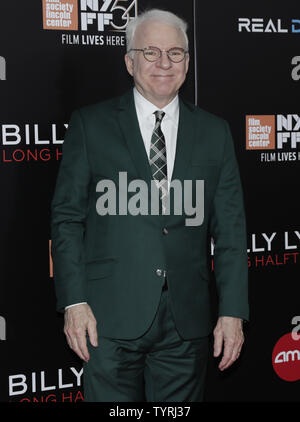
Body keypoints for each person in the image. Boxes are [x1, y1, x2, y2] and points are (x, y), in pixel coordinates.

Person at [51, 9, 249, 402]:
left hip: (186, 320)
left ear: (188, 62)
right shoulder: (91, 125)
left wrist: (232, 312)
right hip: (105, 319)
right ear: (129, 61)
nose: (164, 63)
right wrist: (73, 301)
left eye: (175, 53)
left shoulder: (214, 131)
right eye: (150, 51)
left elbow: (230, 229)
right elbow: (68, 219)